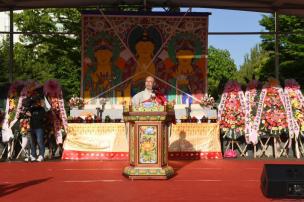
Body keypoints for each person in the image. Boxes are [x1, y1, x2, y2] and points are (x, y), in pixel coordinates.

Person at [25, 96, 46, 162]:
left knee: (40, 141)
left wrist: (31, 115)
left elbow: (40, 118)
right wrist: (29, 103)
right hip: (32, 127)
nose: (36, 104)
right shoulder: (32, 109)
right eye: (34, 102)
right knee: (32, 142)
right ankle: (33, 155)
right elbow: (26, 111)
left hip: (39, 128)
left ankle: (41, 155)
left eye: (37, 102)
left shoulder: (42, 109)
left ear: (39, 102)